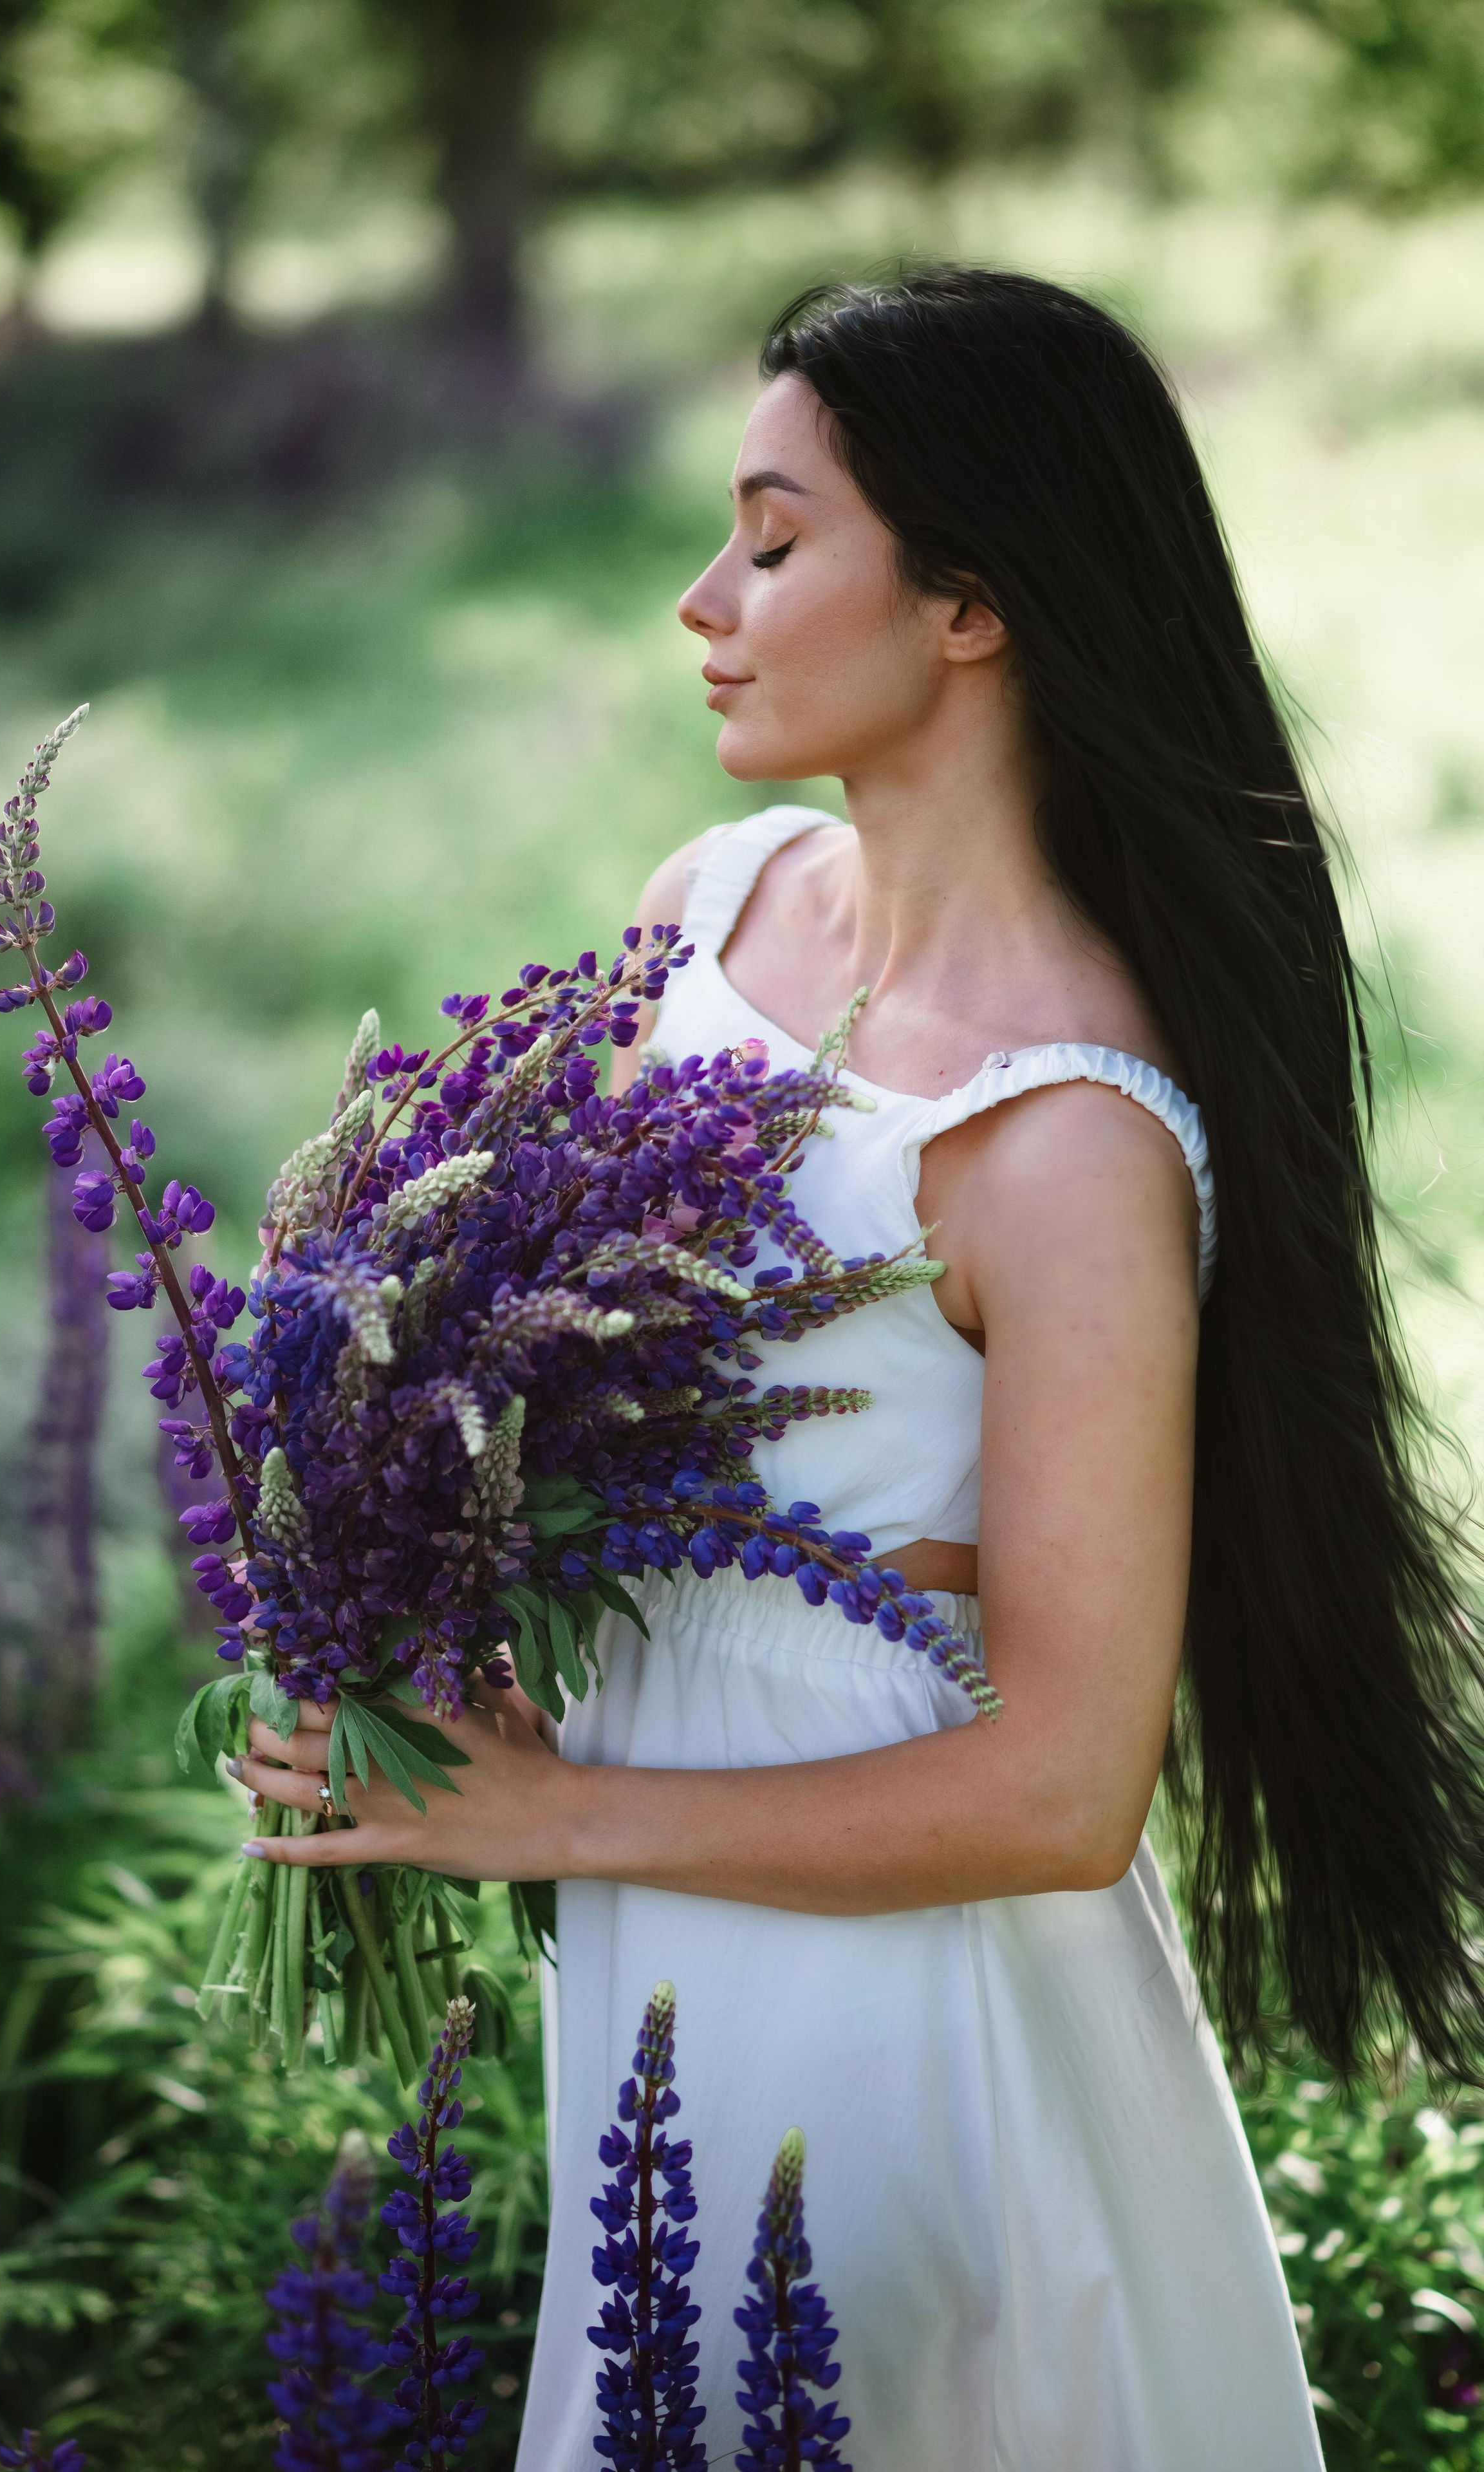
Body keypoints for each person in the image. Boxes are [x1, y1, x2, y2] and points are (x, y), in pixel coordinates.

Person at [232, 269, 1484, 2468]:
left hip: (895, 2012)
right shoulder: (720, 907)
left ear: (972, 607)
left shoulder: (1065, 1132)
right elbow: (567, 1408)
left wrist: (553, 1812)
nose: (707, 598)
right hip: (655, 1932)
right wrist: (426, 1637)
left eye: (778, 538)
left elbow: (1066, 1789)